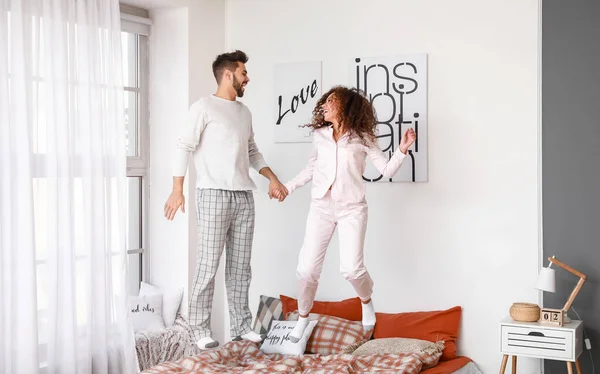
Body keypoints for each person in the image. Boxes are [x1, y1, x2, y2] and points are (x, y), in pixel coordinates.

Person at [164, 50, 288, 349]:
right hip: (213, 194)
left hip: (244, 195)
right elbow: (184, 146)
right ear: (228, 74)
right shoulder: (203, 107)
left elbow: (253, 151)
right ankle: (198, 328)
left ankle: (241, 324)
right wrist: (177, 188)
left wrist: (272, 178)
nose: (248, 78)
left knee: (240, 267)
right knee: (208, 264)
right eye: (244, 72)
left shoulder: (244, 112)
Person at [275, 86, 416, 342]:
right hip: (321, 206)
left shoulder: (362, 137)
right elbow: (311, 168)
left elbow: (386, 170)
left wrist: (403, 148)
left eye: (331, 101)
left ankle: (366, 300)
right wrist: (288, 187)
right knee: (306, 270)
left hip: (352, 208)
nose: (325, 105)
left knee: (352, 269)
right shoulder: (320, 135)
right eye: (325, 101)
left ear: (345, 106)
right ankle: (303, 317)